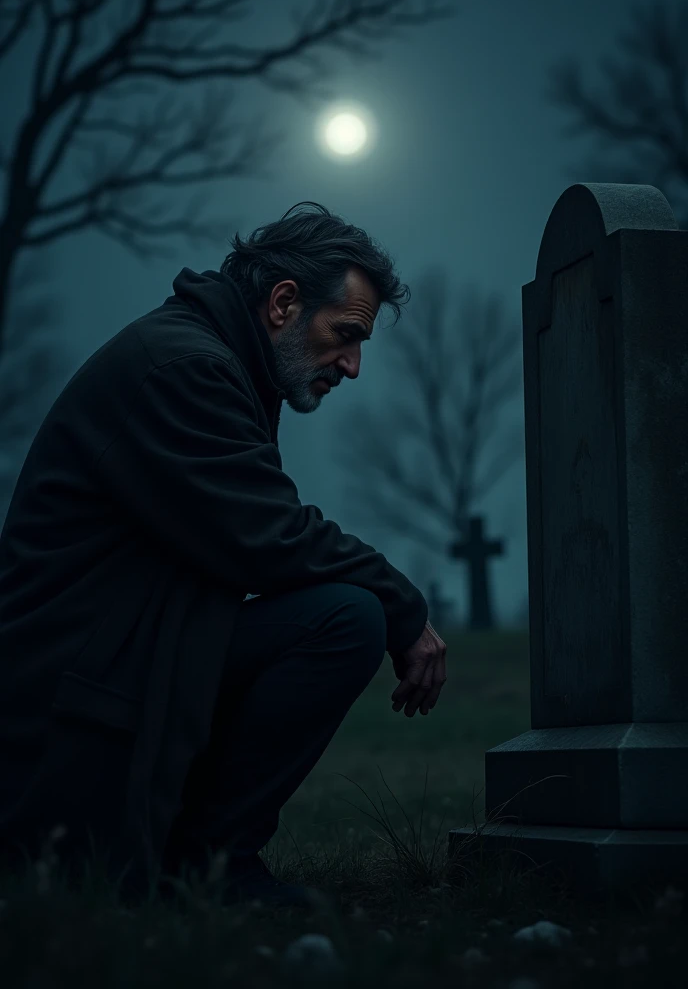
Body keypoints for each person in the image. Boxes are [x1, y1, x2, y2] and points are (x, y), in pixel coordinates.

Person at [0, 202, 447, 909]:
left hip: (134, 651)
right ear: (283, 303)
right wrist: (404, 606)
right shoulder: (183, 368)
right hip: (75, 689)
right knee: (348, 617)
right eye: (346, 335)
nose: (354, 366)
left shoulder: (217, 360)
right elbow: (269, 536)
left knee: (337, 612)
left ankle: (206, 858)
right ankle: (208, 868)